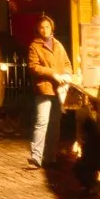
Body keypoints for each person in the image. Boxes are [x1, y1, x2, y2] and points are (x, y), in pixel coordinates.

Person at [28, 15, 73, 170]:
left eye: (47, 26)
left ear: (51, 28)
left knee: (55, 123)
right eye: (41, 27)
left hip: (59, 89)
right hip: (44, 88)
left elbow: (67, 63)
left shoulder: (58, 45)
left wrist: (67, 74)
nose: (44, 29)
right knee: (42, 121)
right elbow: (34, 67)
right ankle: (36, 156)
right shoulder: (35, 46)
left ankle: (50, 156)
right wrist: (52, 73)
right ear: (38, 29)